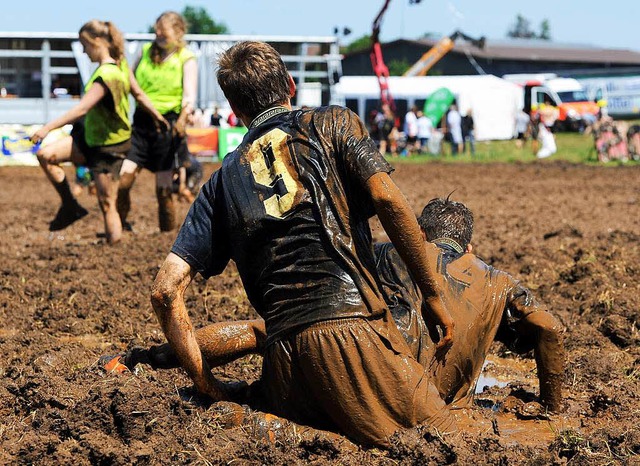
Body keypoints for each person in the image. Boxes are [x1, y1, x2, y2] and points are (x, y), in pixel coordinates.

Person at [146, 41, 455, 448]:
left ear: (237, 111)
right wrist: (432, 292)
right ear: (290, 85)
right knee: (448, 437)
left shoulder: (220, 182)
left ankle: (250, 416)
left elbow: (165, 289)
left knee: (323, 433)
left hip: (285, 364)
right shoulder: (333, 123)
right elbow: (388, 199)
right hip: (354, 335)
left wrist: (205, 384)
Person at [30, 19, 167, 244]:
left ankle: (113, 249)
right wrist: (158, 117)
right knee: (45, 155)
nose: (83, 52)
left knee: (107, 203)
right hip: (89, 138)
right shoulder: (118, 66)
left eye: (84, 45)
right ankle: (70, 205)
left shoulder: (107, 74)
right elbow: (139, 95)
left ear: (97, 42)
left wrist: (46, 128)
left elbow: (82, 108)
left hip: (108, 146)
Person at [117, 11, 197, 232]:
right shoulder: (144, 52)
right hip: (141, 124)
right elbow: (129, 81)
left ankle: (166, 234)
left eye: (164, 31)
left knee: (163, 189)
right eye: (157, 30)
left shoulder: (186, 58)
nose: (158, 35)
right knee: (123, 179)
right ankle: (120, 225)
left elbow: (189, 96)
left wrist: (183, 119)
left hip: (167, 126)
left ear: (179, 32)